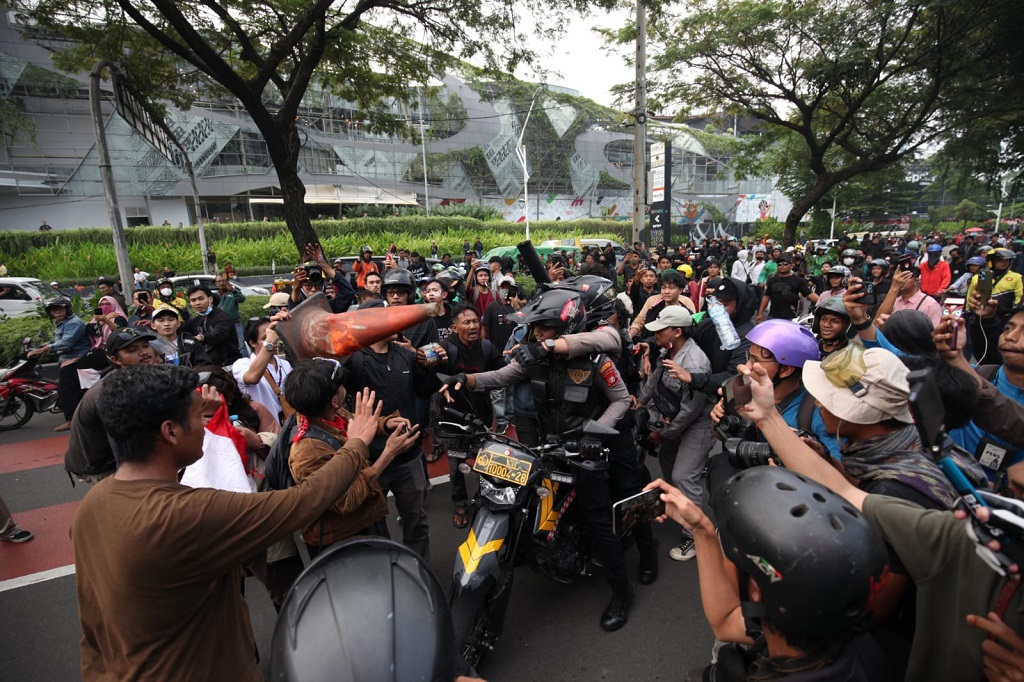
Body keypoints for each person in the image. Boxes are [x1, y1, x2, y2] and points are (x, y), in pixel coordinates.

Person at [71, 365, 385, 681]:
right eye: (199, 419)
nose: (207, 427)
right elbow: (305, 500)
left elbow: (92, 626)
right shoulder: (190, 515)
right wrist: (357, 443)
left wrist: (200, 410)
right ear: (170, 432)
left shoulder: (94, 504)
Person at [735, 352, 1024, 682]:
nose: (817, 405)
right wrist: (772, 420)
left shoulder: (897, 491)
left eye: (830, 400)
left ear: (860, 416)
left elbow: (871, 608)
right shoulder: (916, 444)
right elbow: (850, 492)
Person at [439, 289, 657, 632]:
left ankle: (625, 585)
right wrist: (464, 379)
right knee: (525, 501)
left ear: (567, 326)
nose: (538, 334)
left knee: (606, 518)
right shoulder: (534, 359)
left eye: (546, 327)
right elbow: (502, 376)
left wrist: (595, 432)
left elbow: (619, 401)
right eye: (536, 327)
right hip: (551, 447)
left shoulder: (597, 359)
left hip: (592, 448)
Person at [647, 468, 890, 682]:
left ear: (756, 590)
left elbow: (725, 622)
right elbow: (725, 623)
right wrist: (702, 530)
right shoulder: (841, 631)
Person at [286, 359, 419, 553]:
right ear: (334, 399)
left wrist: (385, 424)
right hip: (342, 538)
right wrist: (389, 453)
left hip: (366, 521)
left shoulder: (328, 412)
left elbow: (355, 424)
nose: (344, 388)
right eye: (340, 385)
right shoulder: (308, 451)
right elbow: (346, 500)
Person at [345, 301, 439, 560]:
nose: (394, 322)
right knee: (371, 523)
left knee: (416, 521)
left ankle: (417, 570)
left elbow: (424, 390)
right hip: (372, 459)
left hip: (408, 457)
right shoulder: (354, 359)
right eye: (387, 318)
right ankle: (384, 575)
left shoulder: (406, 354)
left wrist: (429, 366)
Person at [635, 307, 713, 562]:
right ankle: (680, 506)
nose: (655, 333)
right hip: (674, 418)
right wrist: (640, 403)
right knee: (668, 464)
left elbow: (692, 410)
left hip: (698, 423)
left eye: (661, 329)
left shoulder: (695, 362)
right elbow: (654, 380)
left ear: (677, 332)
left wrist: (665, 434)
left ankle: (695, 535)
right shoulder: (667, 350)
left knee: (683, 475)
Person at [64, 326, 163, 484]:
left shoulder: (135, 377)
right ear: (116, 359)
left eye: (145, 346)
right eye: (132, 350)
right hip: (102, 467)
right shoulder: (113, 392)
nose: (144, 352)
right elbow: (124, 449)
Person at [28, 298, 89, 431]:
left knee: (66, 391)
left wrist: (45, 348)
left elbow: (67, 343)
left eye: (60, 309)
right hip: (67, 359)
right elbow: (60, 340)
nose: (57, 312)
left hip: (75, 359)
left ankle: (72, 421)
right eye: (54, 310)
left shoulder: (74, 323)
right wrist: (44, 345)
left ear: (67, 309)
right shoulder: (62, 323)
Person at [232, 315, 292, 421]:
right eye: (264, 338)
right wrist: (269, 342)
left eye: (274, 336)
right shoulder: (242, 364)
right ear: (252, 343)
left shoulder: (285, 364)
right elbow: (252, 377)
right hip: (266, 430)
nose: (274, 341)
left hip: (289, 425)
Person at [628, 269, 696, 341]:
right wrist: (629, 337)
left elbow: (692, 325)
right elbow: (639, 321)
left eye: (671, 288)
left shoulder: (686, 302)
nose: (666, 292)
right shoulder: (653, 301)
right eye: (663, 288)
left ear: (680, 290)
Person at [183, 285, 240, 366]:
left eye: (201, 298)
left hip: (228, 365)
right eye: (193, 300)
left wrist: (202, 338)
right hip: (210, 364)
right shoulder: (198, 320)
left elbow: (218, 336)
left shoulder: (222, 317)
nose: (197, 303)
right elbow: (180, 329)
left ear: (210, 299)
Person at [757, 253, 818, 322]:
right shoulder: (772, 280)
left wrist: (824, 302)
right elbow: (766, 297)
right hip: (773, 316)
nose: (782, 266)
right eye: (779, 264)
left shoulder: (798, 280)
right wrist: (760, 313)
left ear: (791, 266)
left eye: (785, 264)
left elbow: (810, 294)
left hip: (790, 317)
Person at [876, 266, 943, 328]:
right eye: (898, 277)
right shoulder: (894, 301)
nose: (900, 281)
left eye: (905, 278)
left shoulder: (930, 305)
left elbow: (935, 333)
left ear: (916, 281)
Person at [214, 273, 248, 359]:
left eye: (223, 281)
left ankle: (246, 363)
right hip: (223, 325)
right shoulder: (215, 296)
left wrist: (234, 290)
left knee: (241, 345)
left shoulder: (233, 292)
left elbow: (242, 299)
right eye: (219, 281)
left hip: (236, 323)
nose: (221, 283)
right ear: (216, 284)